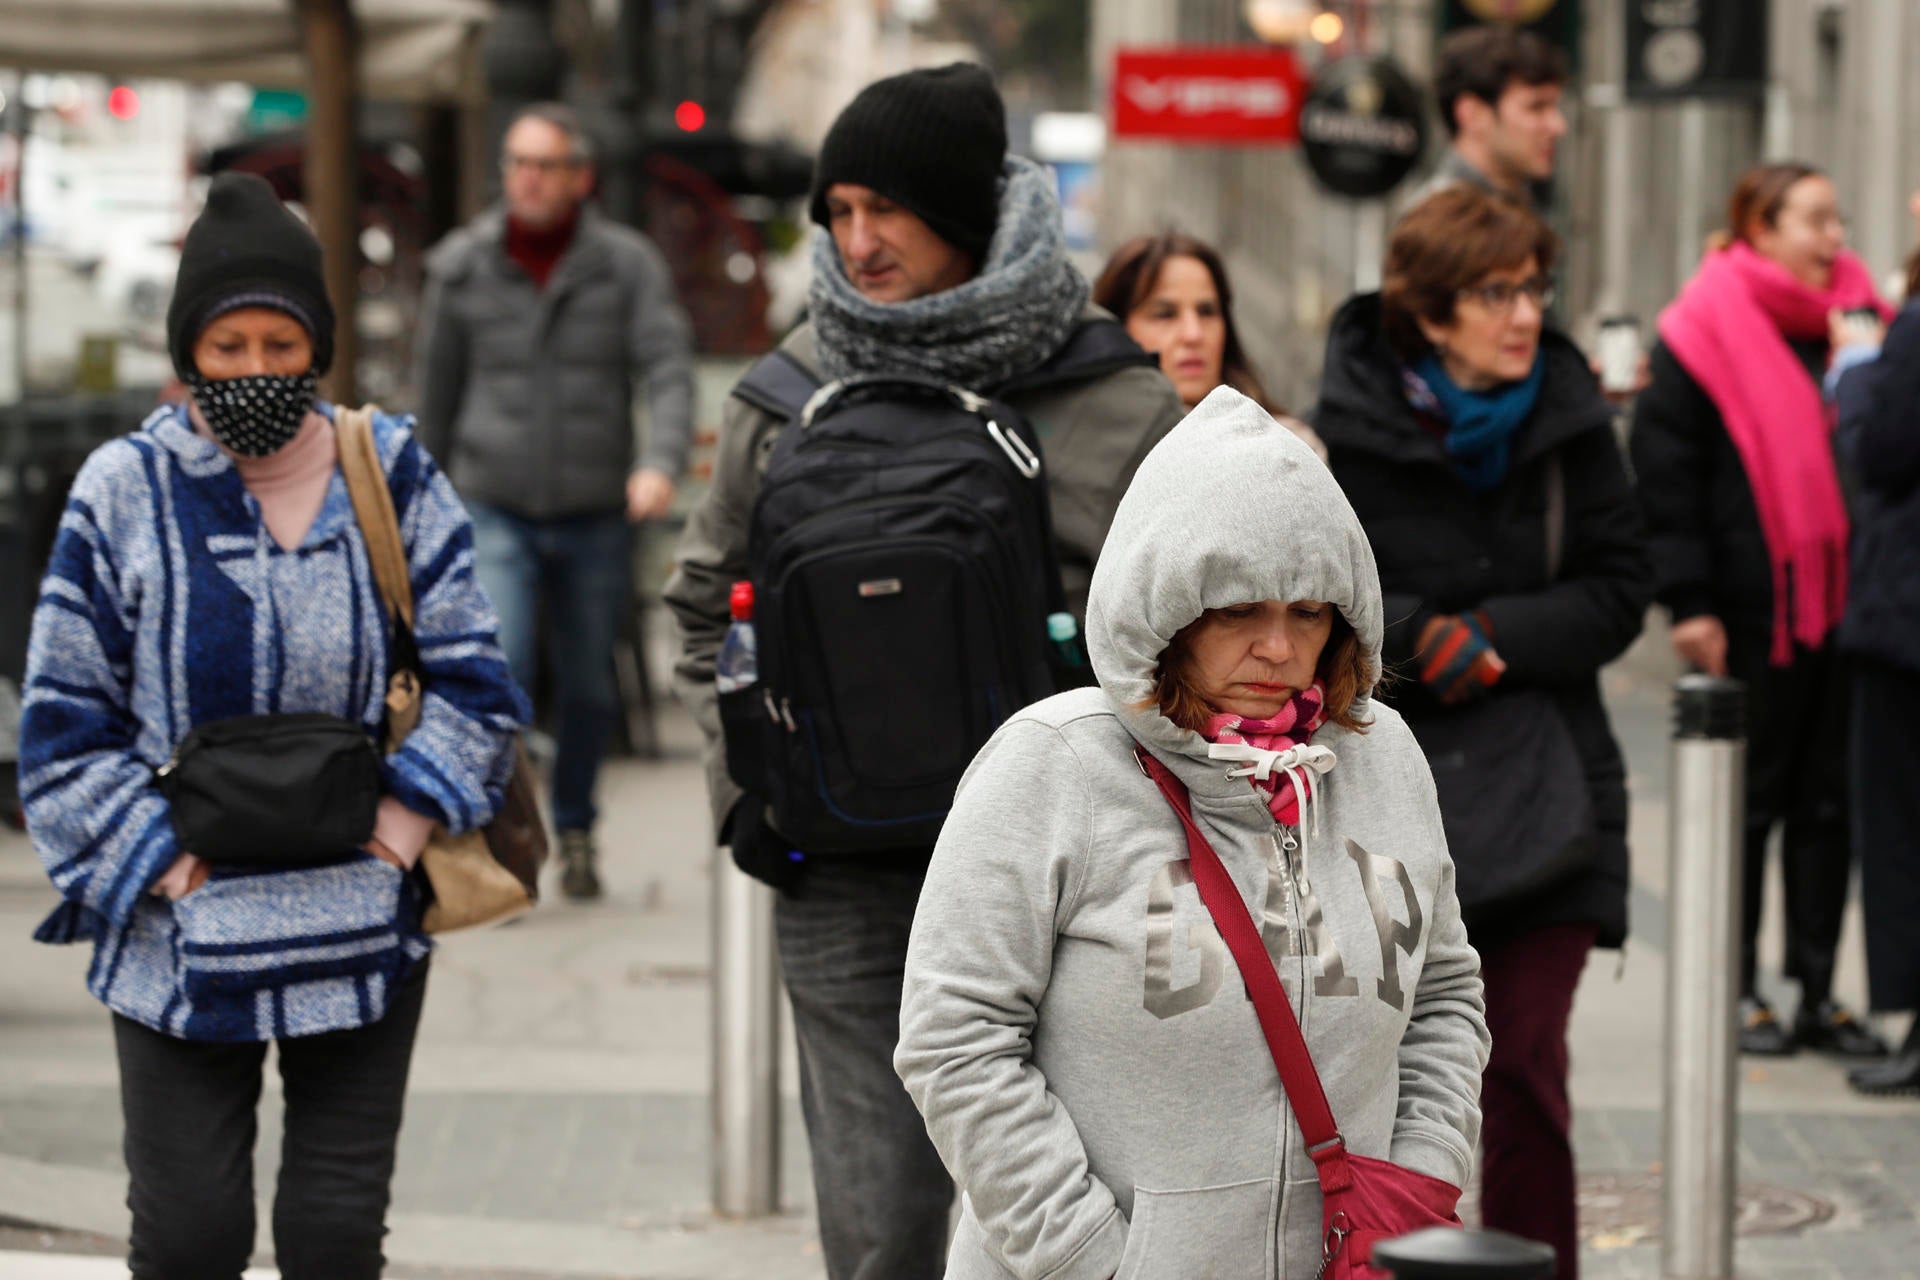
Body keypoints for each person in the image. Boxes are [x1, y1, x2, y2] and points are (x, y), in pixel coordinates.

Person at [665, 63, 1183, 1280]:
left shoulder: (1114, 396)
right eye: (837, 212)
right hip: (840, 875)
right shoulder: (787, 394)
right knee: (881, 1234)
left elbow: (1187, 633)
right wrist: (746, 792)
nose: (858, 240)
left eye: (885, 208)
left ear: (962, 207)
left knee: (1062, 1227)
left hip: (1067, 884)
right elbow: (702, 603)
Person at [17, 172, 526, 1279]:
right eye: (228, 346)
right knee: (192, 1235)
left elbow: (476, 682)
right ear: (188, 353)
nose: (254, 370)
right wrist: (167, 865)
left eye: (280, 344)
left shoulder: (389, 470)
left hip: (364, 919)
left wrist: (397, 835)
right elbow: (60, 724)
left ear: (319, 347)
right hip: (176, 934)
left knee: (336, 1235)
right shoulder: (122, 490)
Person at [895, 389, 1488, 1280]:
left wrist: (1413, 1193)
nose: (1280, 649)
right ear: (1165, 612)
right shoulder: (1052, 766)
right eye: (1237, 610)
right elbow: (956, 1036)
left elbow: (1444, 995)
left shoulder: (1385, 757)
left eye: (1308, 611)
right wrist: (1092, 1260)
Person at [1310, 185, 1650, 1279]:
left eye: (1533, 289)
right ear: (1431, 312)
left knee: (1526, 1071)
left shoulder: (1571, 421)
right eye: (1495, 292)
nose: (1523, 313)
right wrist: (1424, 639)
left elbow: (1618, 591)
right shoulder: (1352, 429)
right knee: (1392, 1073)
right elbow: (1329, 595)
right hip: (1399, 803)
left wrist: (1496, 634)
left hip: (1553, 791)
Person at [1631, 162, 1890, 1061]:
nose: (1834, 240)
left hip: (1846, 604)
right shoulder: (1703, 327)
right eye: (1814, 221)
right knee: (1747, 804)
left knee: (1830, 803)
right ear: (1759, 226)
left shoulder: (1858, 325)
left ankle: (1817, 990)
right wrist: (1690, 601)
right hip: (1747, 607)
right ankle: (1734, 987)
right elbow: (1666, 476)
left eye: (1837, 219)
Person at [414, 101, 695, 900]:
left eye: (545, 164)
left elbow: (667, 368)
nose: (528, 179)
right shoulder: (461, 266)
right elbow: (435, 397)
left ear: (580, 177)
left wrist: (660, 460)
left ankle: (574, 824)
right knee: (500, 666)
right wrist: (421, 505)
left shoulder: (625, 266)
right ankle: (501, 831)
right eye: (517, 163)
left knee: (587, 685)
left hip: (597, 507)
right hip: (492, 502)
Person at [1827, 200, 1920, 1096]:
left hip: (1905, 624)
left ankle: (1913, 1022)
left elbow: (1882, 452)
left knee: (1896, 826)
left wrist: (1856, 372)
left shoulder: (1912, 329)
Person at [1092, 229, 1326, 459]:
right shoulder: (1084, 451)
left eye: (1207, 312)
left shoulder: (1290, 449)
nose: (1193, 334)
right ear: (1117, 329)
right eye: (1165, 314)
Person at [1418, 24, 1569, 219]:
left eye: (1555, 107)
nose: (1558, 126)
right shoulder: (1440, 226)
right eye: (1536, 107)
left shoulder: (1520, 206)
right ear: (1473, 114)